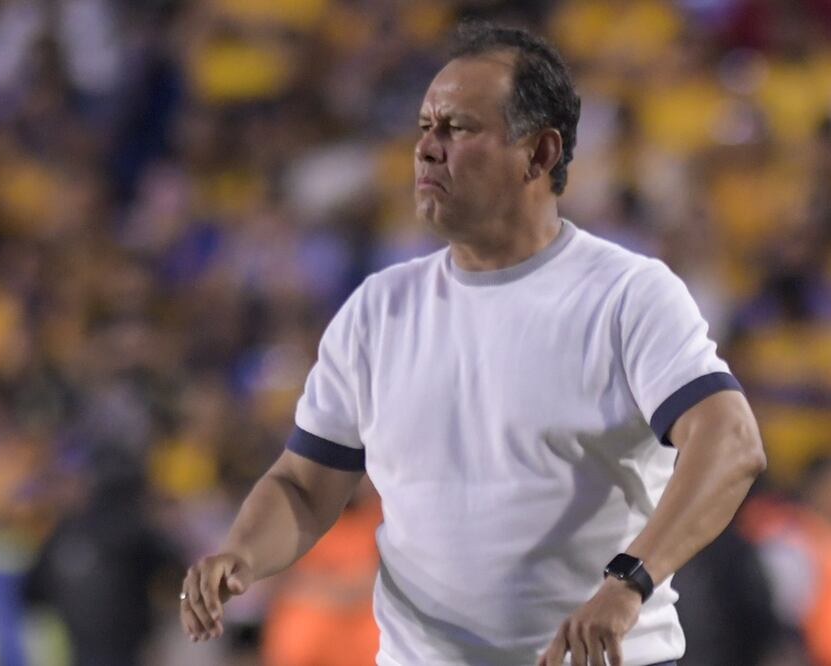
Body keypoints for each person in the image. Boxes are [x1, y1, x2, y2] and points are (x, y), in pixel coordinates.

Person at [179, 21, 766, 666]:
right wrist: (240, 552)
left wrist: (630, 581)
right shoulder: (378, 309)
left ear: (539, 155)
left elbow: (730, 442)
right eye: (425, 127)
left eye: (458, 128)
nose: (428, 149)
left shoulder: (627, 295)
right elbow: (302, 484)